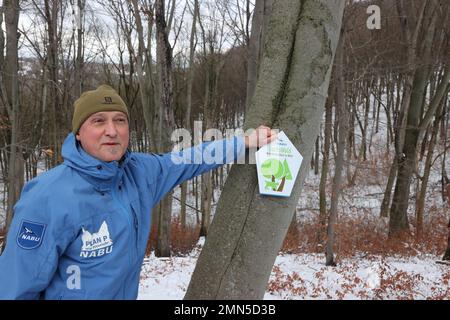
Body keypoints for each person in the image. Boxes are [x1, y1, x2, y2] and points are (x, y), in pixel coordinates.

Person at [0, 84, 277, 300]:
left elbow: (191, 158)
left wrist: (243, 143)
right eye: (98, 121)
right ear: (79, 134)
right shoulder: (48, 197)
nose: (112, 130)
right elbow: (14, 287)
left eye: (120, 120)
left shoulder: (140, 173)